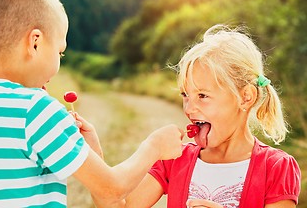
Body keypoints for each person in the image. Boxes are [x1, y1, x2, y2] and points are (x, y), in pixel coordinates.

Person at [0, 0, 184, 207]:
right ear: (35, 42)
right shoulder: (34, 108)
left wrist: (92, 155)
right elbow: (111, 190)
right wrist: (154, 146)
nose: (58, 63)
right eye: (60, 52)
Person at [122, 25, 301, 208]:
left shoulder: (276, 167)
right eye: (185, 95)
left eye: (202, 96)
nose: (189, 109)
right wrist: (148, 149)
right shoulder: (174, 159)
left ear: (246, 97)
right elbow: (117, 204)